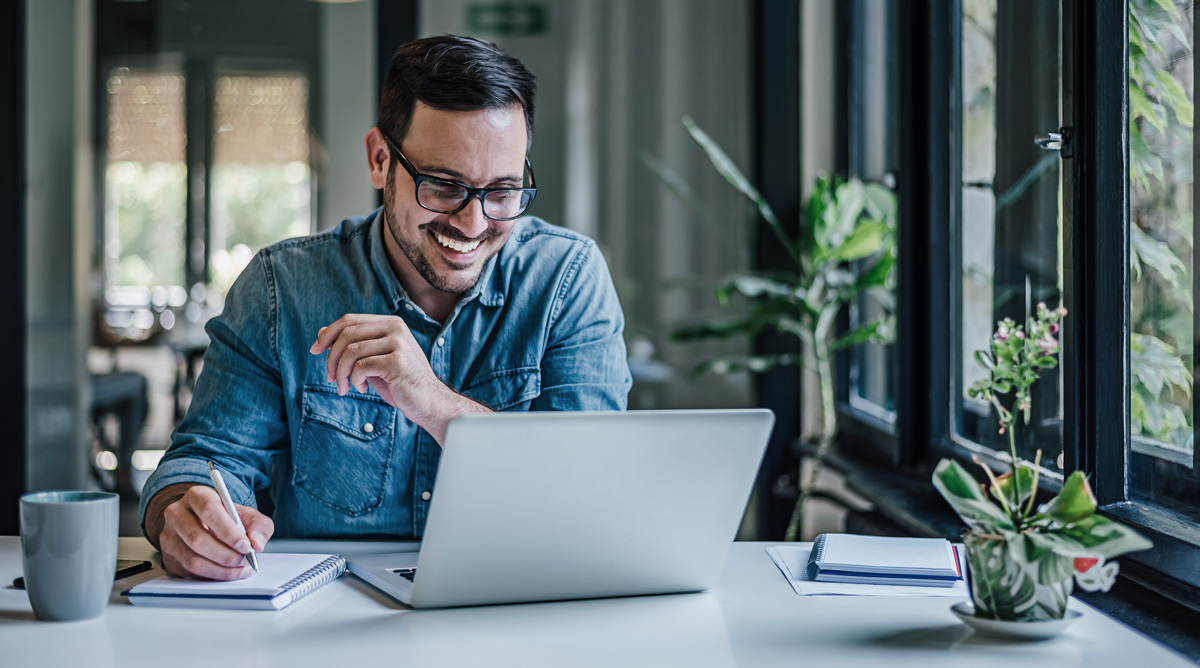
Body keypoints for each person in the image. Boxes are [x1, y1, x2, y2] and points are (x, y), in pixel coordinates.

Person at [139, 35, 631, 580]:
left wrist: (435, 404)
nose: (472, 223)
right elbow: (206, 459)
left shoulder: (566, 279)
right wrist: (185, 516)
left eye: (502, 191)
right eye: (443, 186)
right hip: (325, 619)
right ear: (380, 160)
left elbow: (589, 490)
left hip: (513, 607)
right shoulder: (283, 287)